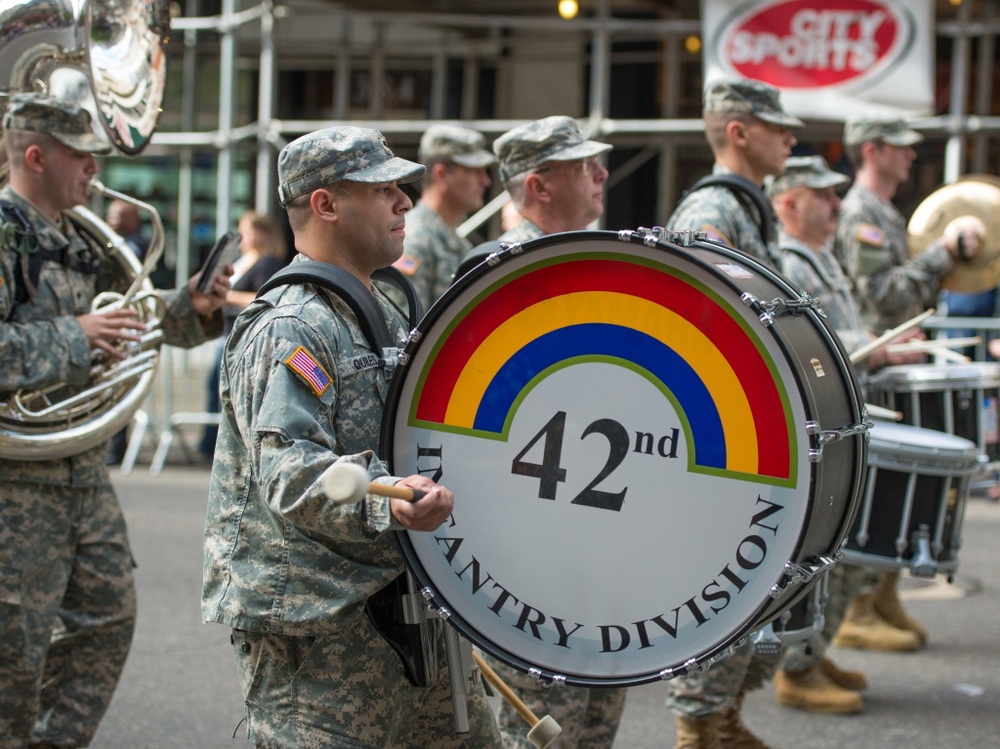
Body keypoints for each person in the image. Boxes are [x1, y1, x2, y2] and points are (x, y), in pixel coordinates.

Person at [201, 125, 501, 749]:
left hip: (404, 603)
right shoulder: (291, 326)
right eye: (383, 189)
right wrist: (386, 499)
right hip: (320, 632)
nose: (405, 203)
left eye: (401, 188)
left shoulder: (385, 311)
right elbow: (289, 471)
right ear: (326, 204)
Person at [0, 92, 231, 749]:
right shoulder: (4, 229)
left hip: (78, 469)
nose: (95, 168)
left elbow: (129, 321)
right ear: (37, 156)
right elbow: (81, 332)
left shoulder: (79, 237)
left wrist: (189, 305)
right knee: (12, 651)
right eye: (81, 154)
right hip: (15, 479)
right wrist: (74, 336)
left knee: (107, 619)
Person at [471, 114, 626, 749]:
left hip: (594, 531)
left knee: (596, 714)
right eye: (582, 166)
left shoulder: (582, 263)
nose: (602, 175)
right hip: (529, 544)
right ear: (538, 185)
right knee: (538, 724)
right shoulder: (496, 272)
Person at [662, 78, 801, 749]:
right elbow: (701, 322)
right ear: (739, 131)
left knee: (750, 581)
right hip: (717, 425)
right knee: (715, 577)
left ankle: (722, 719)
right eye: (777, 126)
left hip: (741, 420)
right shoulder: (712, 210)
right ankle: (698, 726)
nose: (791, 137)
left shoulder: (748, 207)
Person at [767, 155, 926, 717]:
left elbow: (842, 326)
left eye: (837, 196)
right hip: (819, 430)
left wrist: (875, 340)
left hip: (842, 421)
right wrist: (876, 345)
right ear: (789, 203)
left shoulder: (820, 256)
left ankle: (813, 654)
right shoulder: (789, 260)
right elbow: (814, 340)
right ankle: (798, 669)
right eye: (823, 196)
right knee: (828, 553)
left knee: (844, 555)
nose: (838, 205)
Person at [832, 116, 984, 652]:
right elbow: (885, 297)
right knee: (876, 491)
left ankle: (880, 596)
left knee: (900, 489)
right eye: (900, 147)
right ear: (872, 151)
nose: (911, 156)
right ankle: (857, 608)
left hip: (891, 365)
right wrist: (943, 253)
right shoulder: (861, 216)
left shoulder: (885, 215)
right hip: (872, 369)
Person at [198, 210, 288, 459]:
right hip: (227, 334)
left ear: (262, 233)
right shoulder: (244, 260)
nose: (243, 237)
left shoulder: (266, 263)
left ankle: (216, 448)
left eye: (247, 231)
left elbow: (265, 298)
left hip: (243, 338)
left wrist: (225, 297)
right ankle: (210, 445)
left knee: (223, 390)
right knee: (214, 388)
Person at [392, 123, 495, 310]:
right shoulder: (416, 239)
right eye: (475, 171)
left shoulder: (449, 237)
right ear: (442, 174)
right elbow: (407, 330)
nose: (485, 181)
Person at [103, 198, 151, 465]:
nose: (112, 220)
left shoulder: (135, 244)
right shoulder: (110, 239)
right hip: (109, 321)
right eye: (110, 214)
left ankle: (116, 449)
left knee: (120, 385)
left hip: (128, 323)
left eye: (118, 215)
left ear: (133, 219)